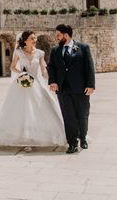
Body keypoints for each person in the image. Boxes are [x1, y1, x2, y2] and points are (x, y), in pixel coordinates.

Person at [0, 31, 66, 150]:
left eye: (35, 38)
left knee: (43, 108)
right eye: (32, 38)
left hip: (37, 84)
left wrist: (50, 79)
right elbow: (12, 67)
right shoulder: (19, 52)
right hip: (23, 83)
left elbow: (43, 69)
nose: (35, 40)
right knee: (22, 110)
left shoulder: (40, 53)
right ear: (25, 40)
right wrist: (22, 74)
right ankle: (24, 138)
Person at [47, 24, 95, 154]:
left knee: (83, 114)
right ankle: (72, 143)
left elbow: (89, 67)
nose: (56, 37)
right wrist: (53, 81)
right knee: (68, 117)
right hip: (63, 90)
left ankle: (83, 138)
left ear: (66, 35)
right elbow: (51, 67)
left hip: (81, 89)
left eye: (58, 35)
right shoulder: (55, 50)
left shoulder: (83, 48)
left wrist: (91, 85)